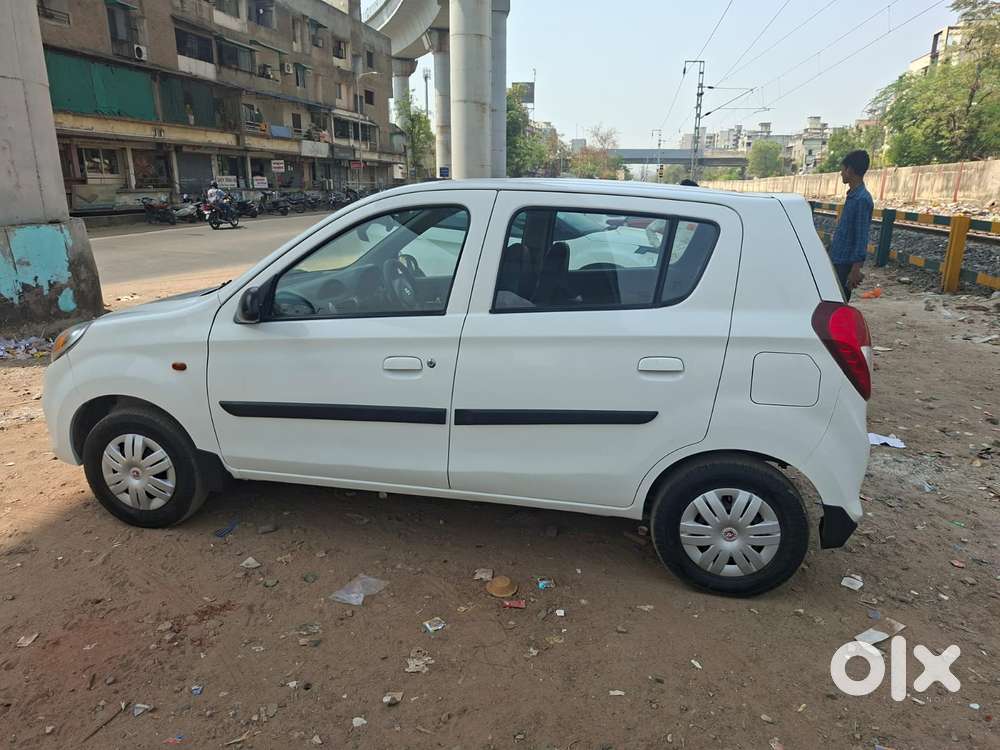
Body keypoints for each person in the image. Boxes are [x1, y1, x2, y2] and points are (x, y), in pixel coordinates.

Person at [829, 150, 874, 301]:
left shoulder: (861, 199)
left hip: (844, 263)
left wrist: (855, 270)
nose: (841, 174)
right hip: (838, 259)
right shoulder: (853, 196)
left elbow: (861, 237)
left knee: (838, 303)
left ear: (850, 170)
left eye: (842, 170)